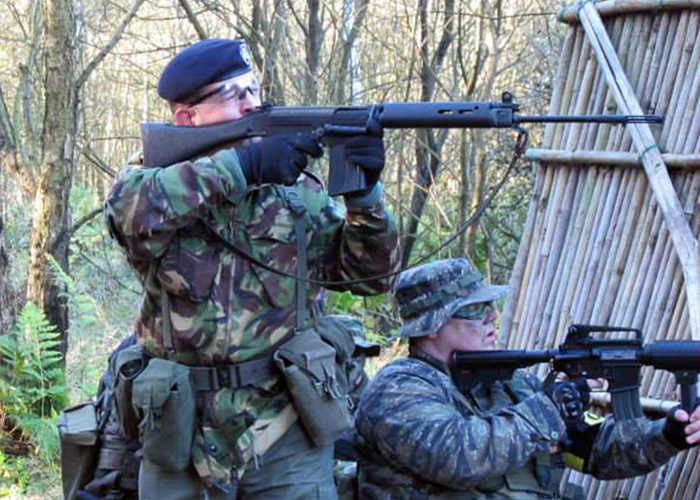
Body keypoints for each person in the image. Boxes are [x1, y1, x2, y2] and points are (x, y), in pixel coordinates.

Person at [103, 38, 400, 500]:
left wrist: (365, 196)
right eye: (233, 94)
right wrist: (243, 166)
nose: (251, 104)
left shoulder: (295, 191)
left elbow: (369, 277)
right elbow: (130, 213)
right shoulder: (150, 185)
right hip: (178, 427)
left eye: (253, 89)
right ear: (187, 118)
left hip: (285, 422)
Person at [354, 258, 700, 500]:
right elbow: (459, 457)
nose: (491, 316)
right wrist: (550, 407)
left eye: (490, 305)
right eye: (474, 309)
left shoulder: (511, 385)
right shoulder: (396, 390)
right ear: (431, 325)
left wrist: (667, 435)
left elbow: (593, 451)